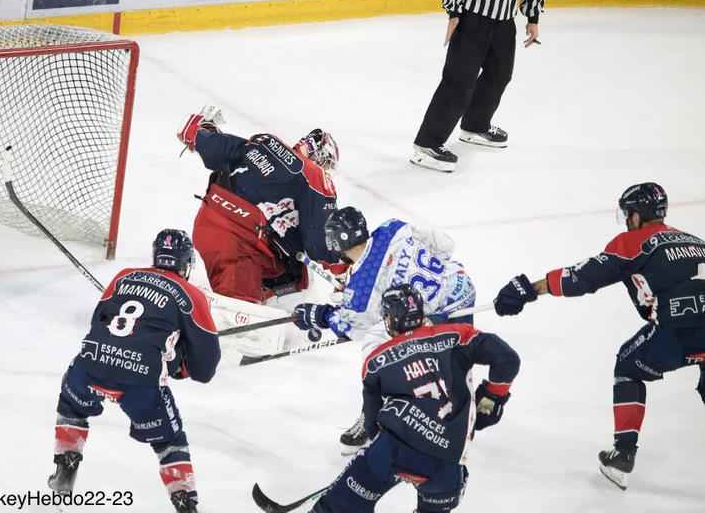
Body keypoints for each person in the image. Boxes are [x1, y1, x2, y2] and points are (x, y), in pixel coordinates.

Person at [493, 182, 705, 490]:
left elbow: (583, 277)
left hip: (679, 334)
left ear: (636, 216)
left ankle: (623, 456)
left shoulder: (632, 242)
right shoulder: (696, 241)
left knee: (628, 366)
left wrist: (531, 289)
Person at [304, 284, 520, 513]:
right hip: (447, 466)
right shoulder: (460, 334)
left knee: (338, 507)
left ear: (389, 320)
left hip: (392, 451)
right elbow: (507, 359)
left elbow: (370, 422)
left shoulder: (376, 361)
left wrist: (384, 459)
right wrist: (491, 399)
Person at [47, 229, 220, 513]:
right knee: (169, 443)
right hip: (140, 383)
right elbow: (205, 369)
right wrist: (179, 364)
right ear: (186, 263)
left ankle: (65, 470)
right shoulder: (192, 296)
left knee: (72, 406)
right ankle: (185, 504)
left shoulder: (123, 276)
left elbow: (99, 323)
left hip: (88, 366)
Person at [293, 207, 477, 453]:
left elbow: (348, 327)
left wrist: (319, 315)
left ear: (336, 242)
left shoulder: (361, 296)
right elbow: (446, 245)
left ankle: (374, 419)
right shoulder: (392, 229)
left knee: (376, 342)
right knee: (457, 359)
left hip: (437, 319)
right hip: (462, 288)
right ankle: (463, 415)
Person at [410, 0, 547, 173]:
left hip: (504, 22)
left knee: (499, 75)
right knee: (458, 82)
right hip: (473, 21)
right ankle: (427, 143)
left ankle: (475, 125)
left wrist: (532, 16)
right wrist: (454, 13)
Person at [177, 105, 344, 304]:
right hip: (239, 245)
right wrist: (343, 274)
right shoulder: (315, 178)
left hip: (207, 227)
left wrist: (200, 131)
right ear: (322, 158)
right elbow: (320, 244)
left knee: (288, 265)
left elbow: (213, 147)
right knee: (245, 313)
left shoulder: (266, 142)